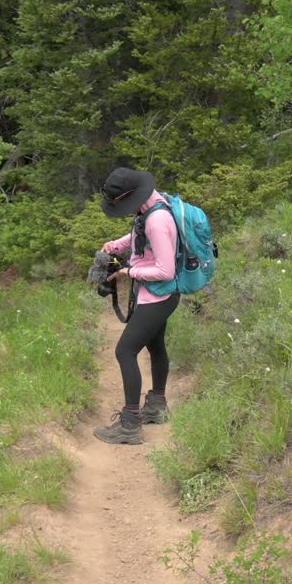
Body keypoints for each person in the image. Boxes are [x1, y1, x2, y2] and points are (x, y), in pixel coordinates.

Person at [94, 167, 179, 445]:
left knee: (125, 351)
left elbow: (165, 270)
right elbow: (139, 238)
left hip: (160, 294)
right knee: (155, 346)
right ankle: (156, 406)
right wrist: (117, 245)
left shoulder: (157, 220)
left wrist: (127, 273)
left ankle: (130, 425)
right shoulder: (150, 205)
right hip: (156, 294)